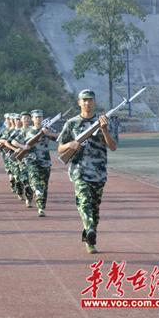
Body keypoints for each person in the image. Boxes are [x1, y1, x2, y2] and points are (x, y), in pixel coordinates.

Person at [57, 89, 118, 254]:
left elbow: (113, 147)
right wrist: (70, 145)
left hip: (98, 172)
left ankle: (90, 238)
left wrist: (104, 129)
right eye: (84, 100)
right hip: (79, 171)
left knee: (94, 209)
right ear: (79, 102)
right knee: (84, 202)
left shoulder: (105, 121)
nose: (87, 103)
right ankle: (90, 228)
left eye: (90, 100)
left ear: (94, 102)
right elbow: (60, 148)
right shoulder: (71, 123)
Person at [17, 110, 58, 217]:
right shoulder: (27, 130)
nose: (38, 119)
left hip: (45, 161)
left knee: (44, 186)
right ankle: (36, 193)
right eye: (36, 117)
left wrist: (49, 134)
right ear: (32, 119)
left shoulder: (47, 129)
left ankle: (41, 208)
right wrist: (23, 147)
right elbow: (14, 141)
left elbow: (60, 137)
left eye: (40, 117)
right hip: (31, 160)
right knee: (35, 181)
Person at [10, 111, 35, 208]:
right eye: (24, 118)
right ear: (21, 120)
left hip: (34, 160)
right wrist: (21, 147)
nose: (27, 120)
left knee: (33, 181)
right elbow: (11, 142)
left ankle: (31, 197)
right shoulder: (17, 132)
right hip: (22, 160)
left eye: (28, 118)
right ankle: (28, 197)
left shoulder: (34, 130)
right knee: (25, 181)